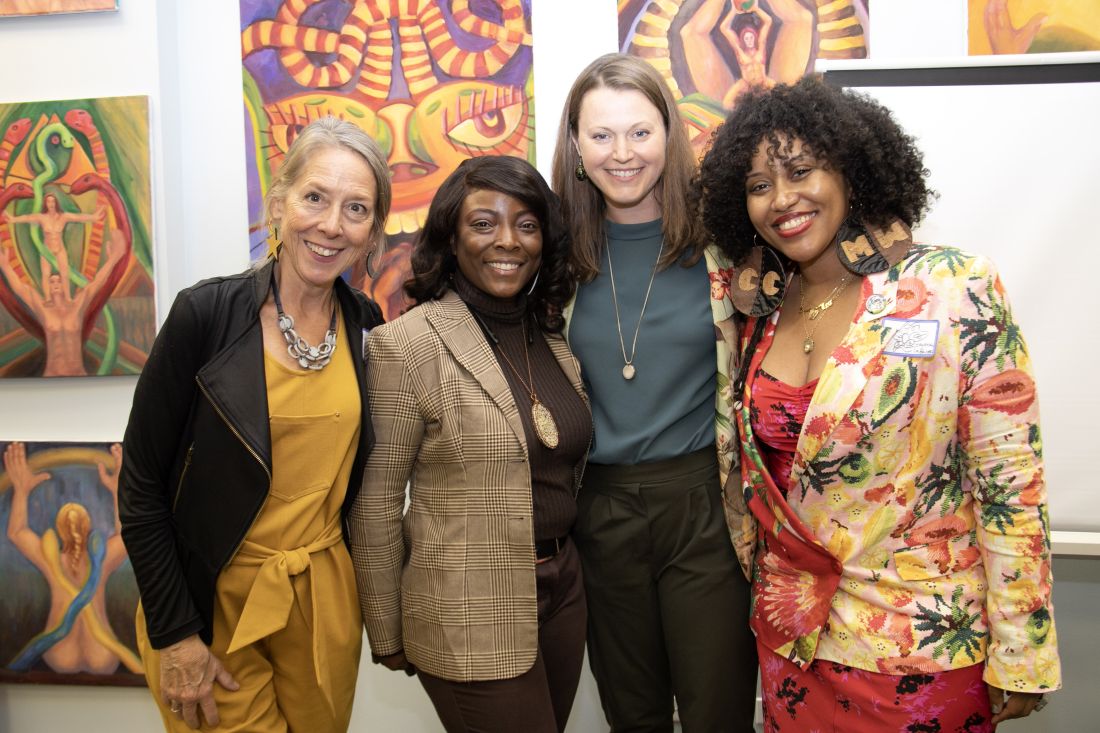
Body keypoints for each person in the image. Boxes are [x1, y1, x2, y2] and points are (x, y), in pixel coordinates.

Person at [694, 76, 1060, 731]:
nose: (782, 199)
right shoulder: (760, 314)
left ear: (851, 171)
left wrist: (1023, 649)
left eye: (801, 171)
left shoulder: (953, 285)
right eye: (757, 185)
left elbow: (1011, 482)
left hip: (922, 645)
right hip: (796, 646)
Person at [118, 116, 390, 732]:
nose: (330, 225)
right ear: (278, 202)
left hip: (323, 607)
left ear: (373, 231)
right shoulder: (204, 316)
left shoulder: (368, 325)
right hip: (212, 609)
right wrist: (176, 633)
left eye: (356, 208)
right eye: (314, 197)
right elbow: (140, 488)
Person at [550, 53, 757, 732]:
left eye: (639, 132)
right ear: (576, 144)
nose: (622, 153)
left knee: (715, 709)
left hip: (704, 505)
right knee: (632, 713)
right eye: (602, 135)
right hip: (599, 510)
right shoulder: (551, 260)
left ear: (669, 135)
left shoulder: (728, 244)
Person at [350, 155, 591, 733]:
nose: (507, 240)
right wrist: (386, 629)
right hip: (466, 608)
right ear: (450, 237)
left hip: (563, 591)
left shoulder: (552, 335)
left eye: (526, 224)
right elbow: (376, 503)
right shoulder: (406, 346)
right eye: (484, 223)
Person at [4, 441, 140, 675]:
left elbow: (17, 533)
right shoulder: (101, 556)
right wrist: (119, 493)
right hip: (102, 652)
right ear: (87, 527)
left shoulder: (53, 558)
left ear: (59, 529)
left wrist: (22, 491)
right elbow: (127, 536)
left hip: (60, 651)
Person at [0, 228, 126, 376]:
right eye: (51, 280)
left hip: (79, 373)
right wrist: (5, 265)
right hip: (51, 373)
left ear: (64, 283)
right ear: (46, 284)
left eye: (59, 280)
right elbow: (20, 288)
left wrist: (114, 258)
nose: (55, 283)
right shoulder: (42, 307)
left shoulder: (77, 305)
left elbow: (97, 283)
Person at [1, 194, 107, 293]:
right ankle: (47, 299)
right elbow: (27, 218)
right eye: (48, 202)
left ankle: (67, 298)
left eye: (52, 202)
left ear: (56, 203)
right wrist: (13, 219)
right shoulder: (42, 218)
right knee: (46, 275)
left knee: (65, 275)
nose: (51, 204)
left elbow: (79, 217)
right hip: (47, 251)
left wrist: (94, 217)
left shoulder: (63, 217)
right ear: (45, 204)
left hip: (60, 250)